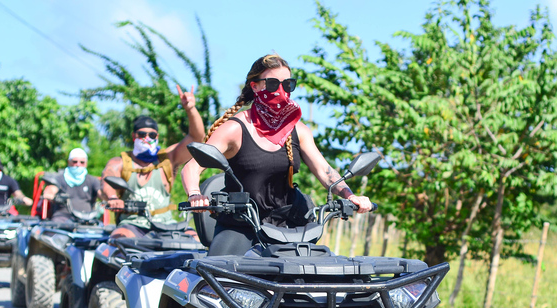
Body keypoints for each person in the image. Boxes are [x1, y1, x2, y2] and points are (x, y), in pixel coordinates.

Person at [182, 54, 372, 256]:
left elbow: (325, 171)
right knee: (218, 277)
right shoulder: (235, 129)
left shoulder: (299, 131)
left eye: (287, 84)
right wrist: (195, 195)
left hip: (289, 228)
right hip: (241, 225)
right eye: (272, 84)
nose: (281, 91)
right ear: (254, 86)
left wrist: (350, 195)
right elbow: (192, 167)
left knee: (319, 278)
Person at [102, 85, 205, 238]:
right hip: (133, 224)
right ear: (133, 136)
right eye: (142, 134)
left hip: (166, 224)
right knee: (119, 239)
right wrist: (112, 198)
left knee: (196, 240)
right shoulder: (121, 162)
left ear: (157, 137)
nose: (147, 138)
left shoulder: (168, 159)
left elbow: (196, 138)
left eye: (152, 135)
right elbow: (107, 180)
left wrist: (190, 109)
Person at [41, 148, 101, 221]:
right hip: (63, 216)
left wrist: (110, 198)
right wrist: (50, 193)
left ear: (86, 164)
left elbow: (101, 193)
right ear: (69, 162)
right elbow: (52, 187)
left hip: (87, 217)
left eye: (82, 162)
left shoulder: (92, 180)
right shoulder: (60, 178)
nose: (78, 164)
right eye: (75, 162)